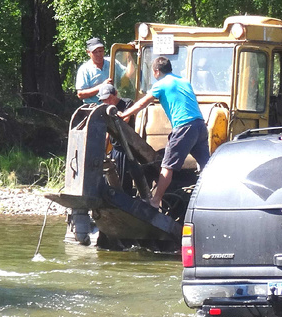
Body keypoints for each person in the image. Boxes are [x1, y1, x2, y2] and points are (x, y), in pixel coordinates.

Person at [119, 56, 209, 209]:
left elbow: (142, 103)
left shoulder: (161, 84)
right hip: (200, 125)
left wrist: (124, 114)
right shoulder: (183, 81)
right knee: (207, 165)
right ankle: (212, 199)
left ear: (156, 71)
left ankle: (155, 201)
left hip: (184, 126)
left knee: (167, 166)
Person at [75, 37, 110, 104]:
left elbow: (128, 74)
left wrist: (130, 51)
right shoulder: (84, 69)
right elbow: (80, 94)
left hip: (114, 106)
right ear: (88, 52)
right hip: (93, 108)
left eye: (100, 51)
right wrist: (102, 86)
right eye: (95, 52)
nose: (98, 54)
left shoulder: (112, 63)